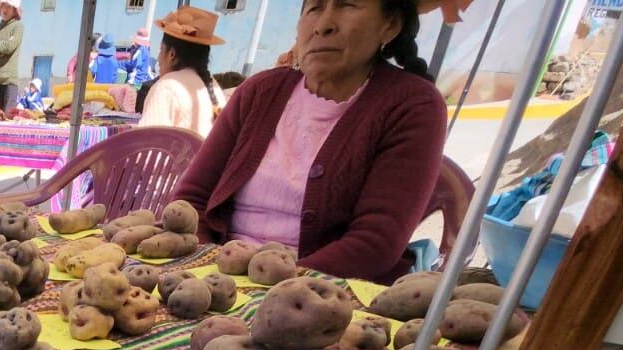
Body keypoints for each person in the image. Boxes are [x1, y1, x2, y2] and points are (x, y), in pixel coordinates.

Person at [171, 0, 445, 284]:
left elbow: (375, 243)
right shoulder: (258, 92)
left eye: (347, 5)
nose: (324, 24)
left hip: (323, 289)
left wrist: (270, 284)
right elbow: (192, 200)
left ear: (390, 25)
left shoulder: (413, 104)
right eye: (314, 8)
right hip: (219, 273)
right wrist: (204, 264)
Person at [137, 7, 225, 137]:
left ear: (171, 54)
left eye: (161, 50)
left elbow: (148, 148)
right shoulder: (214, 86)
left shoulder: (167, 86)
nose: (159, 58)